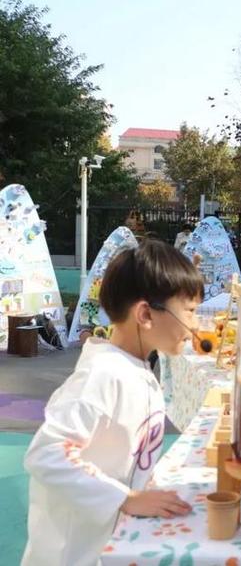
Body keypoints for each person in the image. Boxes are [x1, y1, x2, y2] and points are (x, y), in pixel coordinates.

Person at [22, 240, 201, 565]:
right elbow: (46, 454)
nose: (196, 327)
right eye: (189, 311)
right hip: (72, 552)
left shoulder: (133, 367)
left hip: (108, 541)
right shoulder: (101, 377)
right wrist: (125, 498)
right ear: (146, 314)